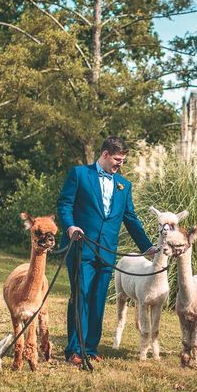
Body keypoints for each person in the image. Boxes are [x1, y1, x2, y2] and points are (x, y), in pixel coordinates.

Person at [57, 135, 156, 367]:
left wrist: (147, 247)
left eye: (122, 160)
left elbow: (130, 218)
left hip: (107, 252)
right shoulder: (80, 174)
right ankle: (74, 349)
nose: (120, 164)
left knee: (98, 299)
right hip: (81, 248)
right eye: (117, 159)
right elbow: (64, 204)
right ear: (104, 154)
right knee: (80, 296)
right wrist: (70, 226)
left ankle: (90, 348)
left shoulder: (124, 185)